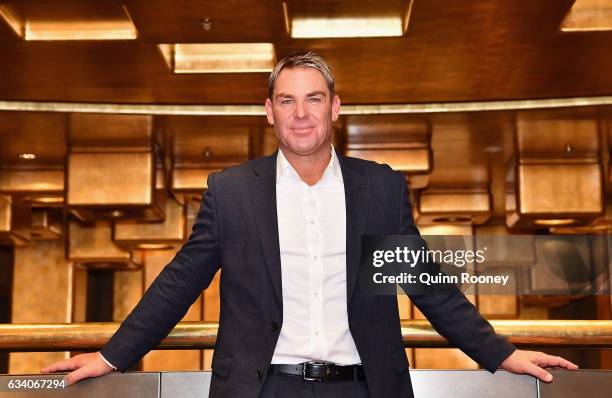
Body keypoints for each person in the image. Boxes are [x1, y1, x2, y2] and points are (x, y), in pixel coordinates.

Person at [42, 52, 578, 398]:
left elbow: (427, 285)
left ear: (336, 108)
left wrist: (501, 352)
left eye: (314, 99)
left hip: (364, 388)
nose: (301, 113)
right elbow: (181, 281)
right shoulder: (231, 192)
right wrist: (113, 354)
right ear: (269, 112)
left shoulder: (380, 187)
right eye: (287, 100)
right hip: (262, 389)